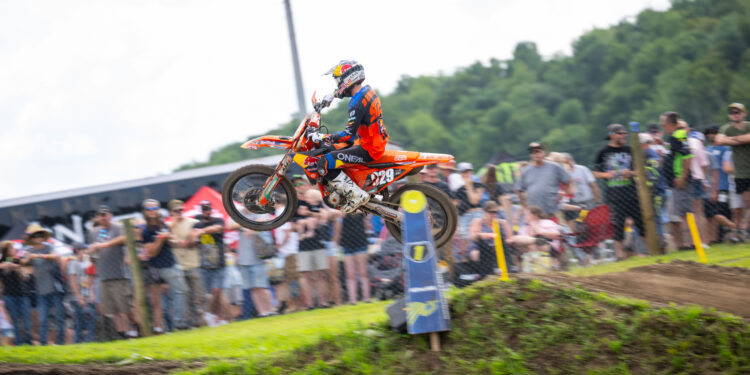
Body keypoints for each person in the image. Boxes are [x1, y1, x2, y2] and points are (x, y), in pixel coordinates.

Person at [307, 60, 389, 214]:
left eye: (339, 81)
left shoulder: (356, 104)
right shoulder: (367, 91)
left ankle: (356, 196)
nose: (338, 85)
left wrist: (320, 137)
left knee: (325, 161)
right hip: (372, 141)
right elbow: (347, 93)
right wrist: (333, 95)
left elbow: (347, 136)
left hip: (369, 149)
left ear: (348, 79)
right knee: (330, 149)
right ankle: (350, 187)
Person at [593, 124, 646, 260]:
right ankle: (621, 255)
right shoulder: (603, 152)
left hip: (631, 193)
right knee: (618, 226)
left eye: (624, 133)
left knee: (640, 222)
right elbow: (595, 173)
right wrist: (607, 175)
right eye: (620, 133)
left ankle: (647, 251)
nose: (623, 136)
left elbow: (640, 170)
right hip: (614, 195)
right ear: (612, 135)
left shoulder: (630, 150)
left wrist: (631, 173)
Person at [139, 199, 190, 330]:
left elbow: (172, 241)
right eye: (149, 209)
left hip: (171, 263)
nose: (152, 211)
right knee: (180, 292)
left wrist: (179, 241)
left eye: (154, 208)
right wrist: (161, 239)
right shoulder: (146, 231)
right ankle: (178, 324)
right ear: (145, 212)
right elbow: (151, 253)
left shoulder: (162, 225)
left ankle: (173, 325)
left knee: (174, 295)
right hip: (160, 267)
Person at [86, 205, 131, 339]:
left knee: (123, 308)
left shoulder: (118, 227)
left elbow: (124, 239)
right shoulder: (94, 232)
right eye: (100, 215)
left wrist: (104, 245)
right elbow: (91, 253)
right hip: (103, 275)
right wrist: (91, 252)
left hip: (118, 274)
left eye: (105, 215)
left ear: (110, 215)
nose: (103, 217)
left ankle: (129, 333)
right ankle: (120, 334)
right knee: (112, 310)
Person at [21, 224, 64, 345]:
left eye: (40, 234)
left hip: (54, 288)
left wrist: (39, 256)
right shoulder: (28, 251)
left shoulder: (49, 247)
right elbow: (16, 259)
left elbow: (56, 256)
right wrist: (25, 259)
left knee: (59, 318)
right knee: (42, 319)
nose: (38, 237)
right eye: (35, 235)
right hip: (40, 291)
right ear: (31, 238)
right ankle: (44, 344)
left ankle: (61, 343)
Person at [166, 199, 204, 328]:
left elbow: (198, 240)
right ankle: (194, 322)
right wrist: (173, 224)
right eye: (175, 211)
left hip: (194, 263)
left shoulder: (193, 222)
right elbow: (167, 240)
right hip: (178, 265)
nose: (179, 213)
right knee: (186, 295)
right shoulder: (168, 226)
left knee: (200, 294)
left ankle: (206, 318)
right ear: (170, 212)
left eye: (181, 210)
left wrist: (191, 240)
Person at [227, 220, 275, 317]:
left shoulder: (258, 213)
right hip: (244, 260)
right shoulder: (239, 214)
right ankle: (262, 312)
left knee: (262, 287)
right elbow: (229, 226)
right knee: (253, 288)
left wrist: (251, 226)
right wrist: (246, 225)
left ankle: (271, 310)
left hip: (258, 258)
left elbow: (266, 220)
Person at [715, 103, 750, 235]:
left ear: (744, 113)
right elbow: (719, 140)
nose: (735, 114)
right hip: (740, 172)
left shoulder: (748, 125)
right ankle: (743, 229)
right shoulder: (726, 128)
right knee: (747, 204)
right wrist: (741, 140)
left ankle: (743, 228)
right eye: (732, 112)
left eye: (738, 112)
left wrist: (732, 140)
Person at [661, 112, 694, 250]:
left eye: (663, 124)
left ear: (669, 124)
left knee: (686, 213)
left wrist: (683, 177)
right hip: (675, 181)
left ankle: (692, 242)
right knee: (681, 213)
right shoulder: (675, 137)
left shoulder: (679, 135)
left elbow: (687, 156)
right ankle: (687, 243)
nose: (663, 127)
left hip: (681, 179)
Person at [193, 200, 228, 324]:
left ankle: (212, 315)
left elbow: (217, 228)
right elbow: (193, 240)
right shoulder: (196, 225)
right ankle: (219, 318)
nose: (206, 211)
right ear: (201, 211)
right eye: (203, 209)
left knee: (217, 291)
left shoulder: (218, 220)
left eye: (207, 208)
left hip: (219, 262)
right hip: (205, 264)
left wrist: (202, 232)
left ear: (211, 209)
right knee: (211, 295)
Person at [515, 142, 572, 217]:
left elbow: (568, 180)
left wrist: (563, 195)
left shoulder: (554, 167)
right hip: (535, 213)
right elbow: (518, 189)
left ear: (544, 153)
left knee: (559, 228)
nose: (536, 154)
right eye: (533, 152)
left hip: (554, 211)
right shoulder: (526, 171)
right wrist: (525, 206)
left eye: (538, 151)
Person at [704, 127, 737, 243]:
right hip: (710, 187)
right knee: (711, 215)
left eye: (714, 133)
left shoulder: (726, 149)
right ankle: (716, 238)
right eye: (709, 133)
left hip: (723, 185)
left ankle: (734, 230)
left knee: (722, 212)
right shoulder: (706, 149)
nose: (712, 135)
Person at [468, 201, 513, 277]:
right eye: (491, 212)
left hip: (500, 246)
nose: (494, 214)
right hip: (482, 246)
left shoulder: (502, 223)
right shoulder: (478, 221)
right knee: (475, 254)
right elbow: (473, 237)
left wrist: (499, 241)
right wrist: (489, 235)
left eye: (496, 212)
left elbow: (510, 238)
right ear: (484, 212)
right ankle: (482, 275)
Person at [0, 241, 32, 345]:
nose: (15, 250)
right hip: (9, 295)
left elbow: (25, 278)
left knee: (26, 320)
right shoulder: (4, 261)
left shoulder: (17, 260)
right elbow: (6, 267)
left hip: (22, 294)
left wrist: (20, 270)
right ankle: (18, 342)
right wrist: (11, 265)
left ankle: (28, 341)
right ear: (7, 250)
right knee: (15, 320)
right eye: (12, 248)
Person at [337, 212, 371, 304]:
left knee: (363, 272)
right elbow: (338, 229)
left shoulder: (361, 211)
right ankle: (353, 300)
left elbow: (368, 224)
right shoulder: (342, 212)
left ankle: (366, 298)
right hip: (346, 244)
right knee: (350, 274)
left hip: (360, 242)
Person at [66, 242, 96, 343]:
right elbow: (72, 280)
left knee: (89, 318)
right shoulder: (73, 263)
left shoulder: (86, 262)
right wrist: (79, 296)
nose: (86, 252)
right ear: (78, 250)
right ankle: (81, 341)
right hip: (77, 296)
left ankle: (87, 341)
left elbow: (90, 278)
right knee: (80, 320)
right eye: (84, 250)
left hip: (86, 294)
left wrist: (91, 293)